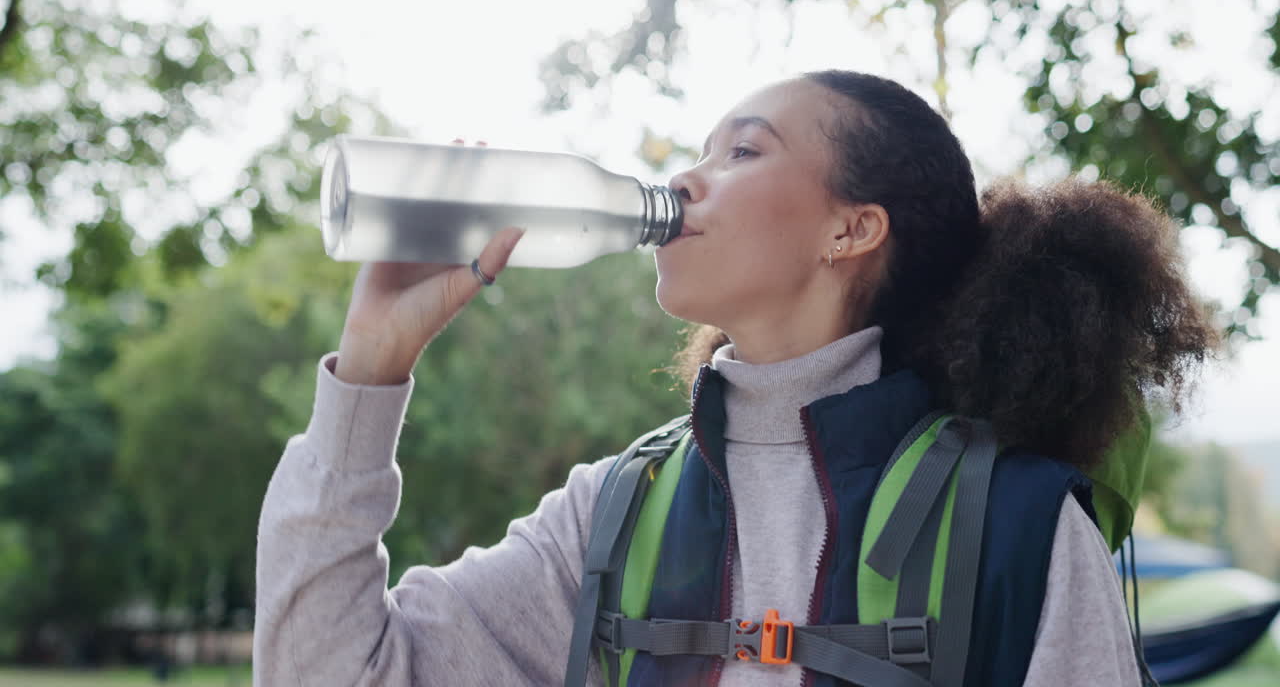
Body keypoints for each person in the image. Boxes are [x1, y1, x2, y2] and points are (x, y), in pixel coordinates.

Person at [254, 71, 1216, 686]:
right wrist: (372, 371)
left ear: (852, 228)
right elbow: (324, 672)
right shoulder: (611, 514)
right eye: (702, 150)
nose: (686, 180)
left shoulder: (1015, 524)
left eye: (744, 151)